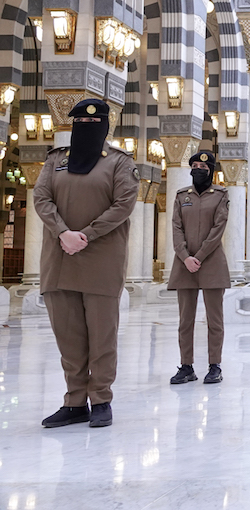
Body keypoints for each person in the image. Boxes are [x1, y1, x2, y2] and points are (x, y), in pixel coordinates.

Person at [34, 99, 139, 428]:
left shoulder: (119, 163)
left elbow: (124, 203)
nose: (86, 127)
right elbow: (41, 197)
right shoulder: (56, 161)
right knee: (68, 336)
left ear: (107, 127)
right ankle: (75, 400)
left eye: (94, 123)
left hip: (101, 260)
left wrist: (86, 235)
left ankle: (102, 398)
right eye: (80, 121)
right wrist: (64, 232)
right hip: (59, 258)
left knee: (101, 334)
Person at [168, 150, 230, 385]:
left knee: (214, 319)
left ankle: (215, 365)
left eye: (203, 167)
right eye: (194, 165)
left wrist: (200, 256)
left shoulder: (220, 195)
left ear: (211, 170)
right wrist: (185, 257)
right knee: (186, 320)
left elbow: (218, 229)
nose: (198, 170)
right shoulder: (182, 195)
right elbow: (176, 228)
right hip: (185, 265)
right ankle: (186, 366)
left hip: (211, 263)